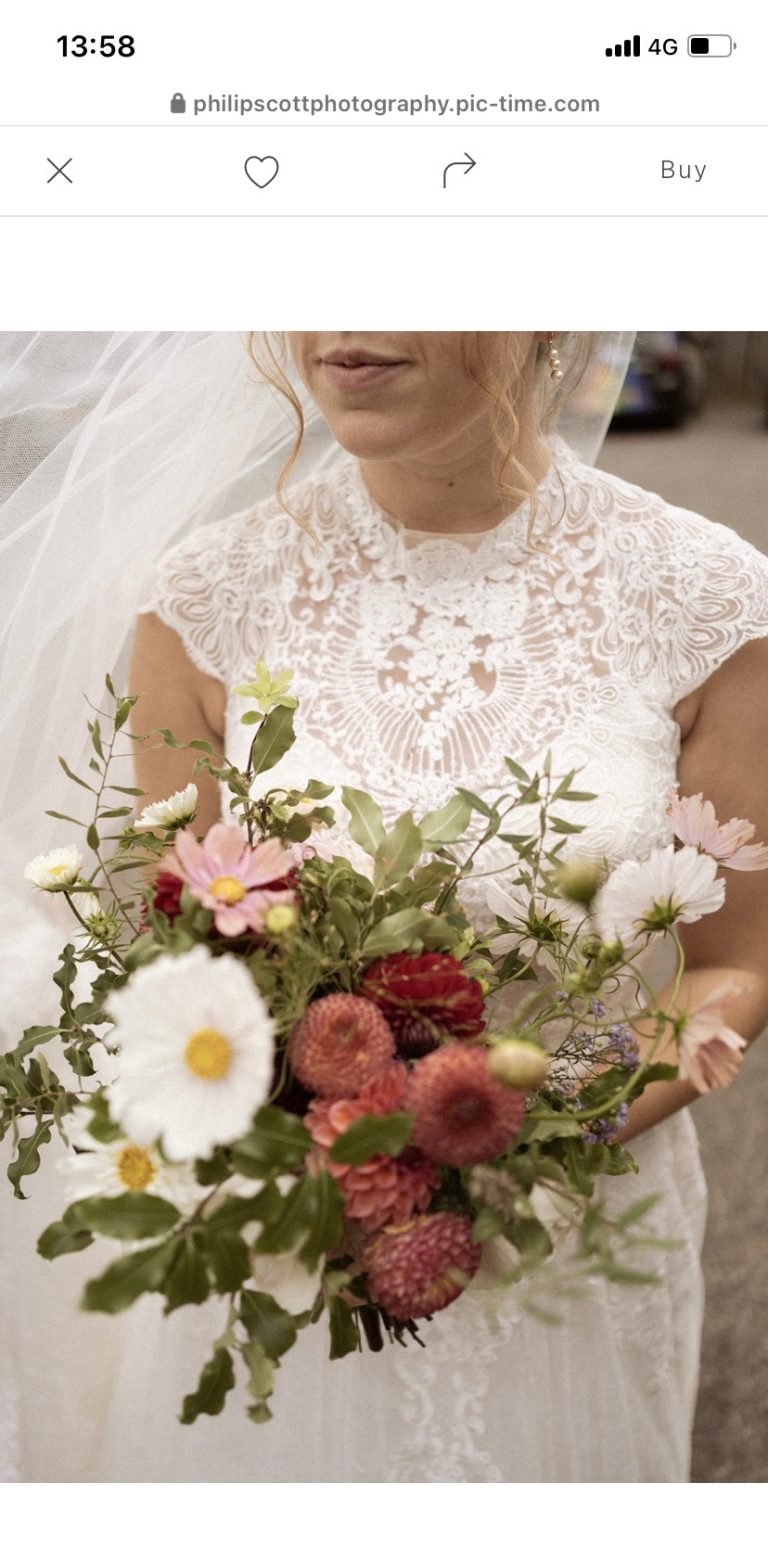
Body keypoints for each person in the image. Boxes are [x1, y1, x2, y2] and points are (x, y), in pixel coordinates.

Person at [2, 331, 768, 1481]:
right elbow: (180, 960)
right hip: (290, 1234)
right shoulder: (206, 597)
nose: (342, 326)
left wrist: (538, 1129)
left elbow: (733, 964)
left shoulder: (707, 597)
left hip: (566, 1236)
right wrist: (298, 1145)